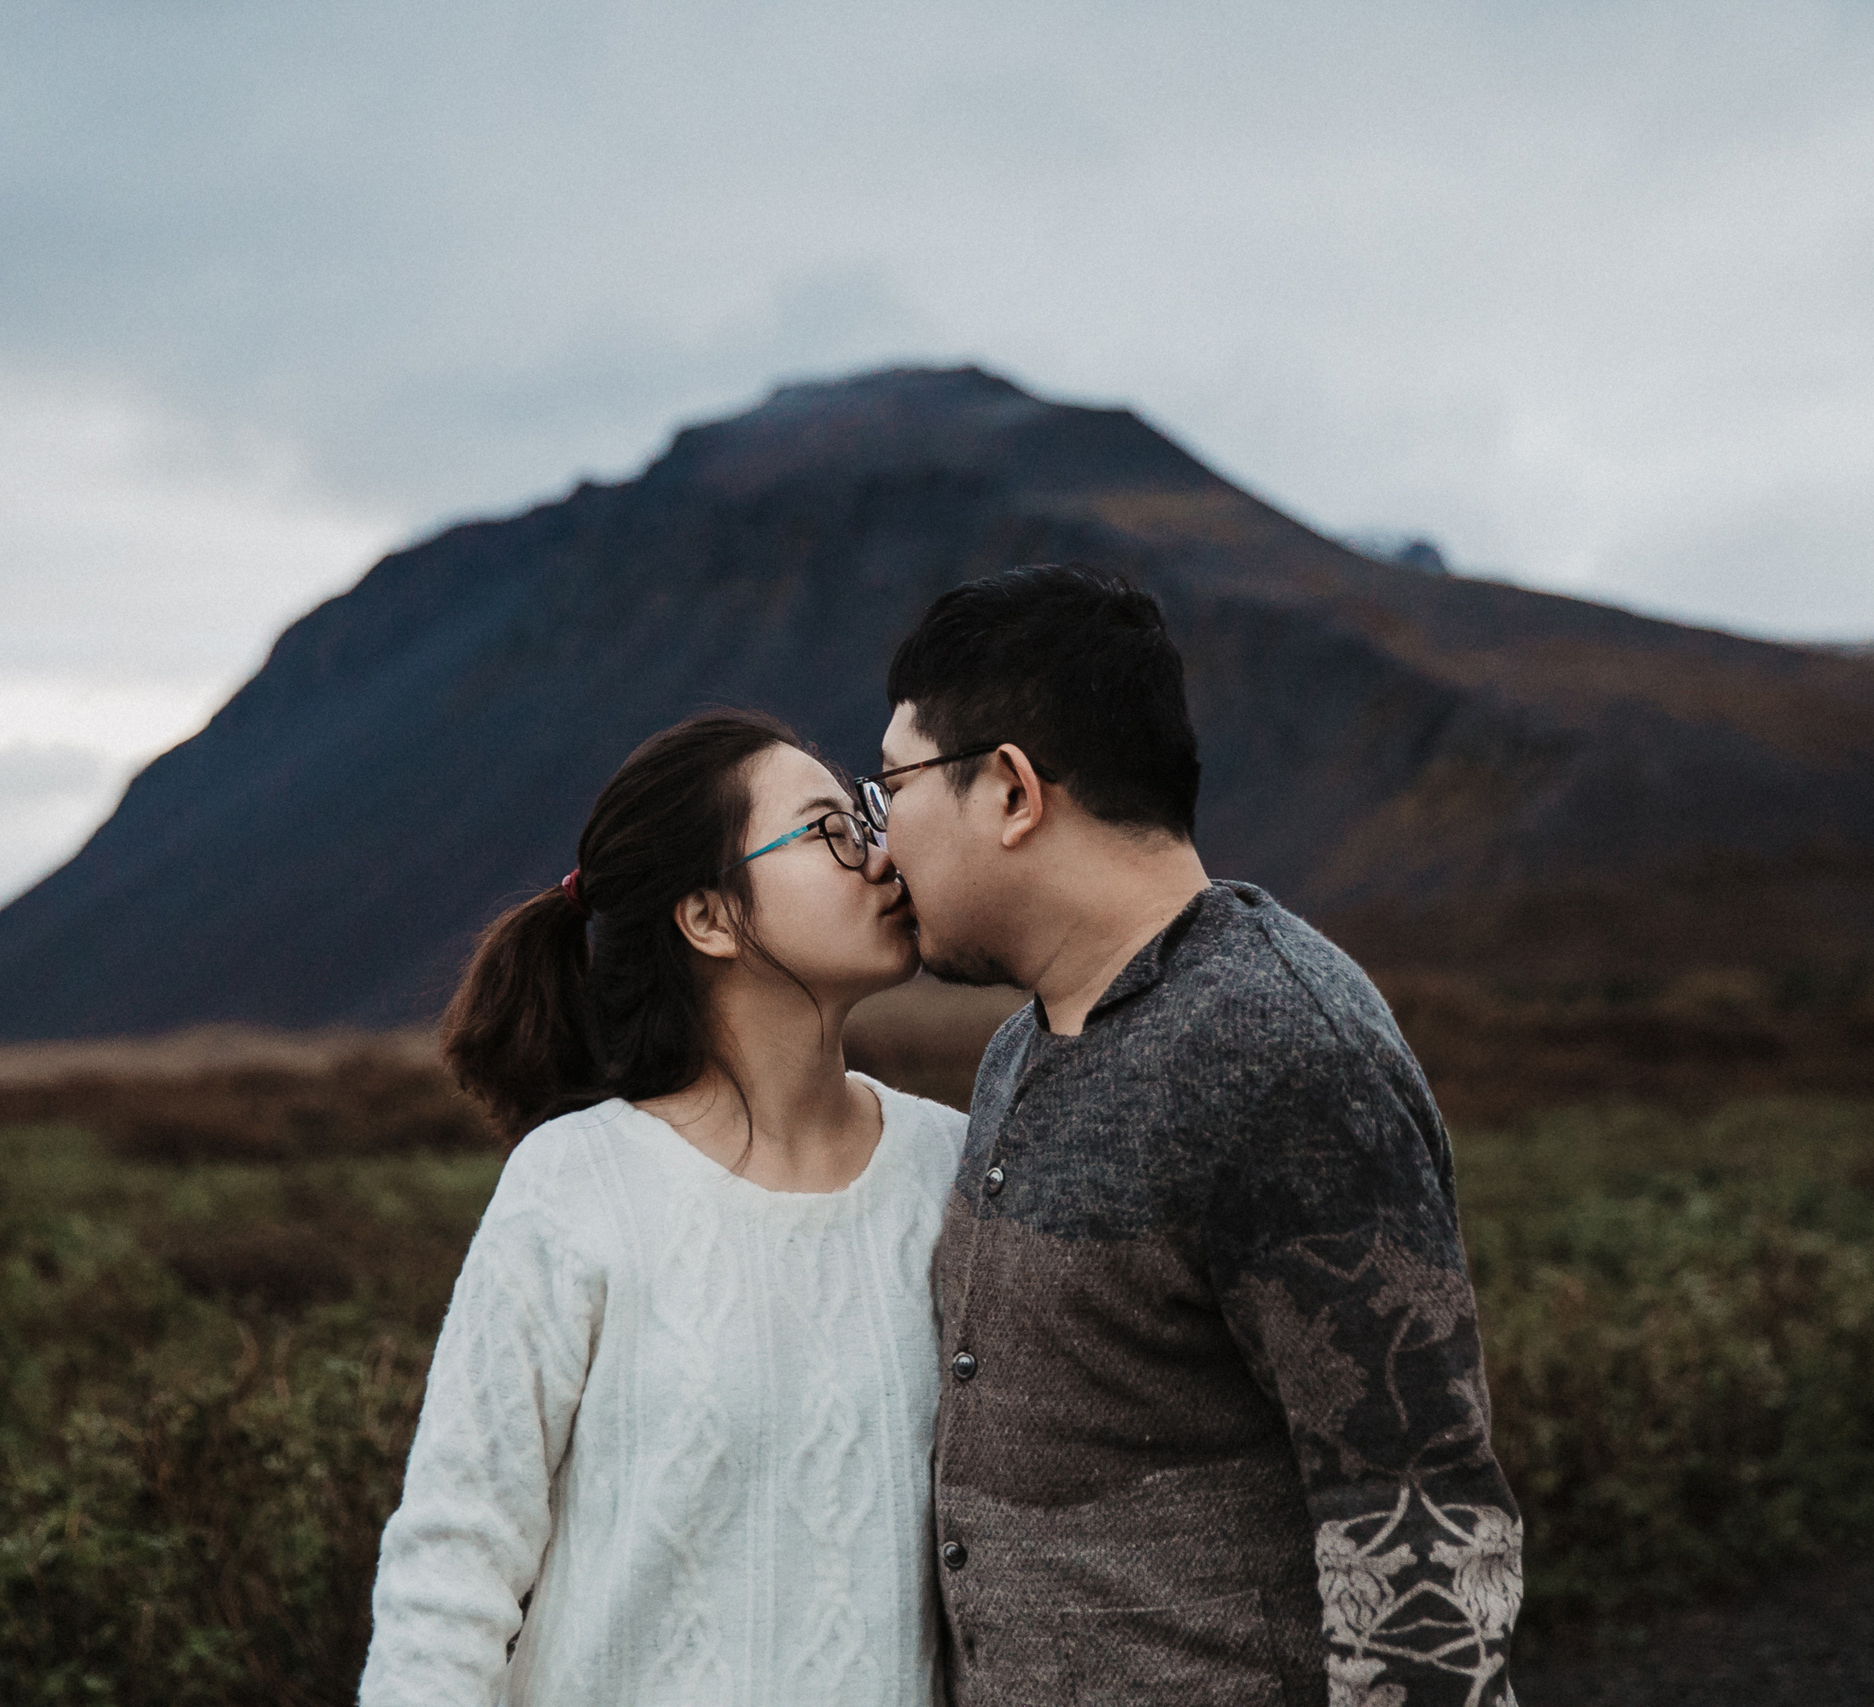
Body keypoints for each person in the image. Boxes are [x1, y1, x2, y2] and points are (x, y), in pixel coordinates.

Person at [859, 565, 1521, 1707]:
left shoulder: (1282, 1053)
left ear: (1011, 792)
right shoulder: (1020, 1048)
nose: (878, 849)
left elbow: (1418, 1520)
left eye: (893, 787)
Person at [358, 709, 968, 1707]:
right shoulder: (579, 1186)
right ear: (709, 919)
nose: (880, 852)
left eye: (865, 814)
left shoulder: (949, 1166)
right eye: (828, 831)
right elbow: (455, 1563)